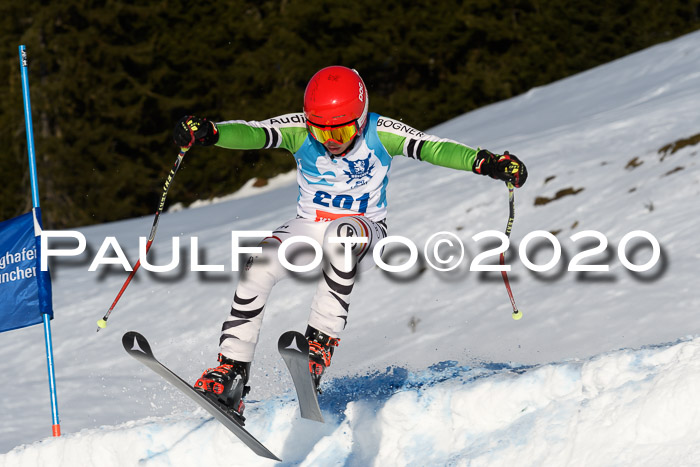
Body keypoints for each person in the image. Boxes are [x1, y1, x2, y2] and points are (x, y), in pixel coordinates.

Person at [173, 65, 527, 414]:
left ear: (360, 118)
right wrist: (212, 132)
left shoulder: (380, 132)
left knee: (339, 237)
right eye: (320, 132)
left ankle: (318, 346)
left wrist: (487, 162)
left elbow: (435, 147)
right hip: (310, 225)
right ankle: (231, 372)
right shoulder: (300, 130)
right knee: (259, 265)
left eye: (341, 133)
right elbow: (254, 133)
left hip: (364, 230)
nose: (330, 141)